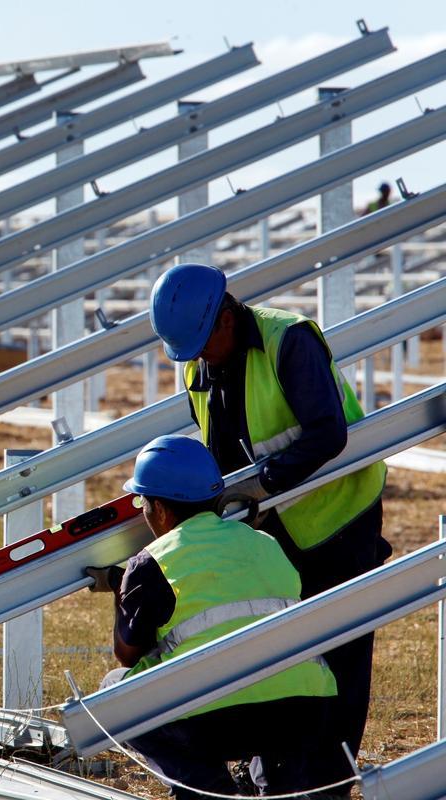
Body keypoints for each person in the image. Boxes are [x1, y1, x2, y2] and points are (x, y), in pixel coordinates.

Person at [148, 263, 389, 792]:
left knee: (339, 666)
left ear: (226, 320)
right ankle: (271, 782)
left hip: (337, 522)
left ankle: (323, 786)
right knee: (275, 659)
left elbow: (329, 432)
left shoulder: (289, 341)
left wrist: (265, 484)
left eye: (201, 346)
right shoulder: (197, 369)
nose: (198, 361)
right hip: (271, 536)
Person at [86, 434, 339, 799]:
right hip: (306, 709)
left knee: (114, 688)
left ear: (160, 508)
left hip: (217, 721)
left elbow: (128, 654)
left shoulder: (153, 561)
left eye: (141, 500)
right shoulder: (264, 542)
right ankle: (281, 789)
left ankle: (206, 790)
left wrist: (122, 587)